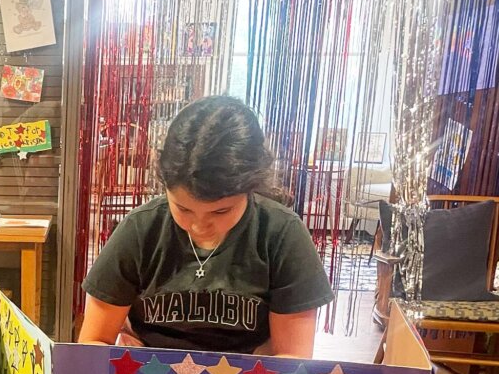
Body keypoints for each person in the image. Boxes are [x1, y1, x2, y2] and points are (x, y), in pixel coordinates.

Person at [79, 95, 333, 358]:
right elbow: (93, 343)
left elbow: (291, 362)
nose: (199, 226)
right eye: (183, 208)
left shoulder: (282, 235)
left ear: (250, 188)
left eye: (221, 211)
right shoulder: (140, 230)